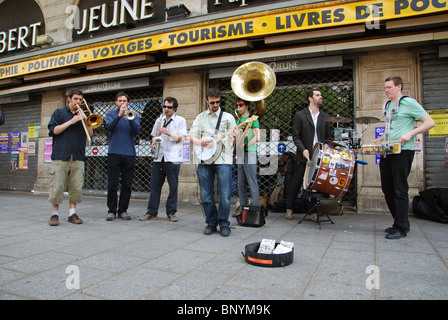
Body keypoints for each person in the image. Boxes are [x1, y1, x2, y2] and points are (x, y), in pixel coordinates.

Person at [375, 76, 435, 239]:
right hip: (388, 150)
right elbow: (390, 125)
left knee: (400, 189)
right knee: (387, 188)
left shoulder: (409, 102)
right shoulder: (387, 105)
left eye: (389, 87)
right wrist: (382, 138)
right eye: (385, 87)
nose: (386, 90)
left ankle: (402, 227)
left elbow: (429, 122)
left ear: (399, 87)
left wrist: (410, 133)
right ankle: (397, 222)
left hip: (403, 151)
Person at [189, 88, 236, 236]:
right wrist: (201, 143)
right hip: (205, 160)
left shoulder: (228, 117)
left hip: (223, 159)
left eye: (217, 102)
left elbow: (235, 141)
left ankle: (223, 223)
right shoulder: (201, 118)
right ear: (206, 101)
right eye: (212, 102)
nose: (215, 105)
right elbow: (191, 137)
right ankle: (211, 222)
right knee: (206, 195)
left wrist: (235, 136)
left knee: (225, 195)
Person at [47, 89, 92, 226]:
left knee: (76, 187)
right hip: (61, 155)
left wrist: (85, 119)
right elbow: (53, 131)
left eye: (80, 99)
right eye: (76, 99)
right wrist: (72, 121)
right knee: (57, 186)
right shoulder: (59, 112)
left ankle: (72, 213)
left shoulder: (83, 115)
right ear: (69, 99)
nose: (78, 102)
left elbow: (90, 133)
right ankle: (55, 214)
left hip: (78, 156)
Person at [286, 89, 332, 220]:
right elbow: (296, 135)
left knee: (316, 185)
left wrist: (326, 149)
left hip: (319, 156)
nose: (320, 97)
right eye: (318, 95)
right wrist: (303, 149)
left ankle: (313, 211)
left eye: (321, 95)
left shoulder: (325, 117)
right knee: (296, 182)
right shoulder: (300, 115)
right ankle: (289, 208)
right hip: (304, 155)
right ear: (310, 99)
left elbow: (328, 137)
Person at [139, 97, 187, 222]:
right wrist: (153, 143)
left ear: (175, 108)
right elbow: (154, 136)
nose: (166, 109)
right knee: (155, 186)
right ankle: (151, 212)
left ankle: (171, 212)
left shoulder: (180, 121)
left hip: (173, 157)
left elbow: (182, 138)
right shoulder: (159, 119)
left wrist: (168, 133)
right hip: (159, 156)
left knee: (173, 186)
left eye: (169, 107)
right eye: (165, 106)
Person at [105, 92, 141, 221]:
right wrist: (119, 116)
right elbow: (109, 128)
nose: (122, 103)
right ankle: (111, 210)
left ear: (128, 103)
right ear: (116, 102)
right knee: (112, 184)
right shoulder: (110, 114)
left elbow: (136, 132)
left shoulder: (133, 115)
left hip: (129, 153)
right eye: (120, 101)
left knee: (127, 184)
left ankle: (123, 210)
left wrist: (129, 118)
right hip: (114, 152)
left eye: (124, 101)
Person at [233, 98, 260, 209]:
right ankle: (243, 209)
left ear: (247, 105)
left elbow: (257, 137)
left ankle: (256, 210)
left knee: (252, 181)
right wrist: (233, 137)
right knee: (241, 183)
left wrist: (245, 145)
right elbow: (236, 140)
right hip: (240, 153)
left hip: (251, 152)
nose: (238, 107)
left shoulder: (253, 119)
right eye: (237, 105)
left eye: (241, 105)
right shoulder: (238, 121)